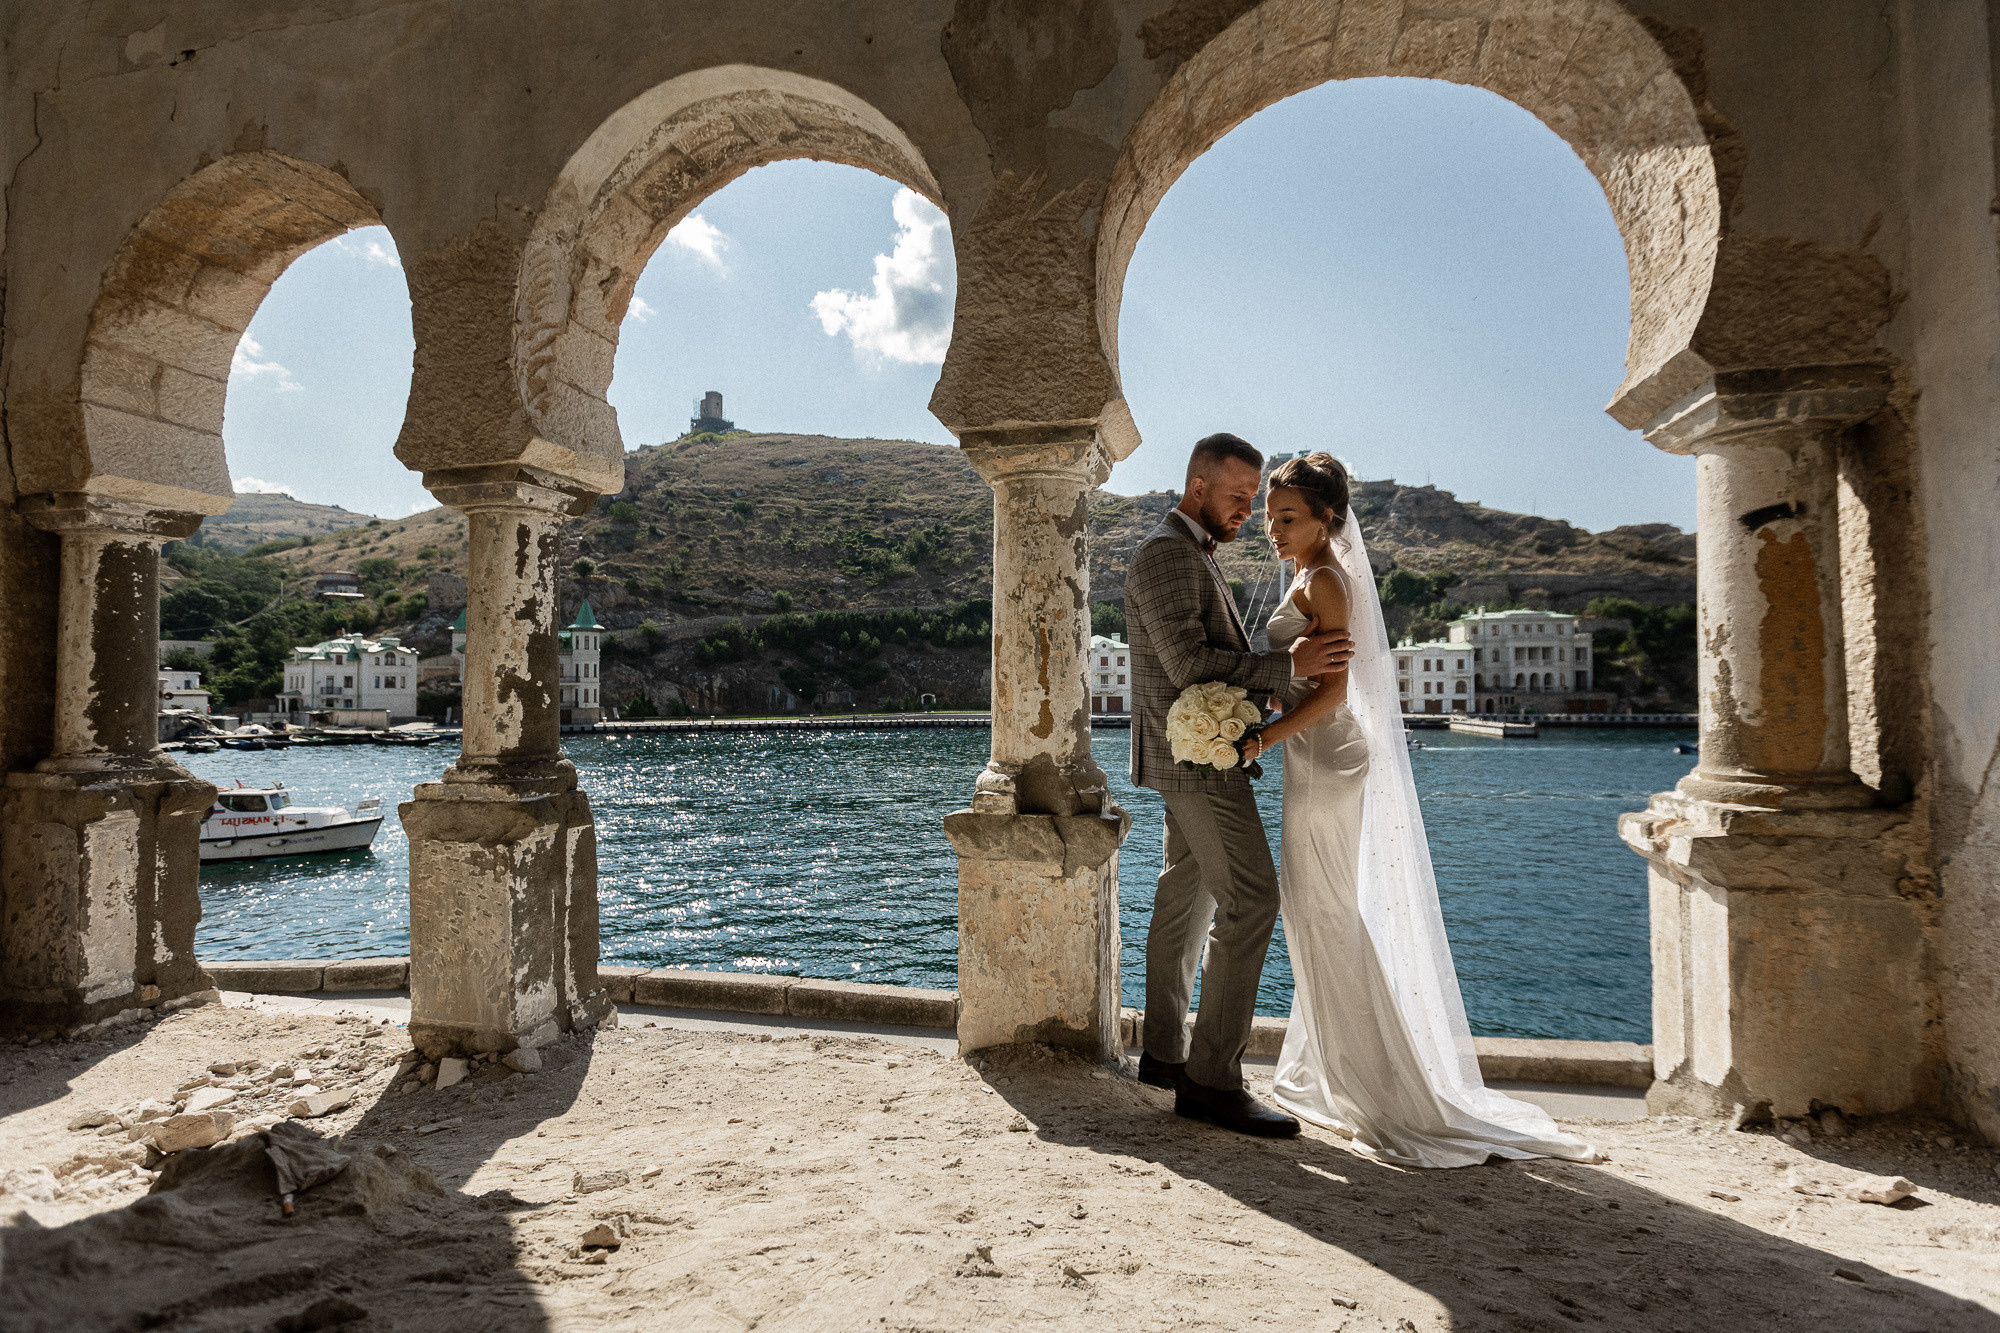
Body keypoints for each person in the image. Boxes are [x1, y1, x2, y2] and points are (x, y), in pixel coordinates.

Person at [1250, 452, 1599, 1168]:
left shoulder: (1324, 581)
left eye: (1287, 517)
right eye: (1268, 517)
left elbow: (1335, 694)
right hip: (1309, 755)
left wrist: (1260, 736)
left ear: (1327, 518)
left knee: (1326, 914)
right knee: (1314, 913)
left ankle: (1383, 1090)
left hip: (1326, 755)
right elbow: (1298, 672)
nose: (1273, 530)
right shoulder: (1304, 574)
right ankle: (1338, 1069)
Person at [1123, 433, 1354, 1137]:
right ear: (1198, 485)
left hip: (1191, 751)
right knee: (1253, 900)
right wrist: (1287, 666)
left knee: (1185, 892)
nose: (1248, 510)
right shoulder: (1167, 552)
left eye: (1257, 499)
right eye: (1238, 496)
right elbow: (1190, 662)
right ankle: (1212, 1079)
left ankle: (1165, 1055)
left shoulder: (1193, 551)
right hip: (1196, 759)